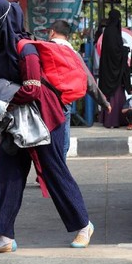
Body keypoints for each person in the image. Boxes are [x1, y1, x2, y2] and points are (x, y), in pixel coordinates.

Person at [0, 0, 94, 255]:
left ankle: (84, 226)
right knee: (8, 174)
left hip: (44, 118)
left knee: (54, 172)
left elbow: (32, 89)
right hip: (15, 120)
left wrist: (2, 100)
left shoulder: (25, 49)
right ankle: (4, 237)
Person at [47, 19, 111, 159]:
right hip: (63, 103)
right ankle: (57, 175)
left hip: (43, 103)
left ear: (52, 33)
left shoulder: (43, 49)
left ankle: (47, 174)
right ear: (68, 36)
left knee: (46, 142)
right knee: (62, 143)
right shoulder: (72, 53)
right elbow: (88, 80)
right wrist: (103, 102)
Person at [98, 9, 131, 128]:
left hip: (108, 70)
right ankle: (114, 120)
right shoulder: (113, 32)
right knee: (116, 95)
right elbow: (115, 52)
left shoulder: (108, 31)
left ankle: (110, 119)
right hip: (114, 72)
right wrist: (124, 51)